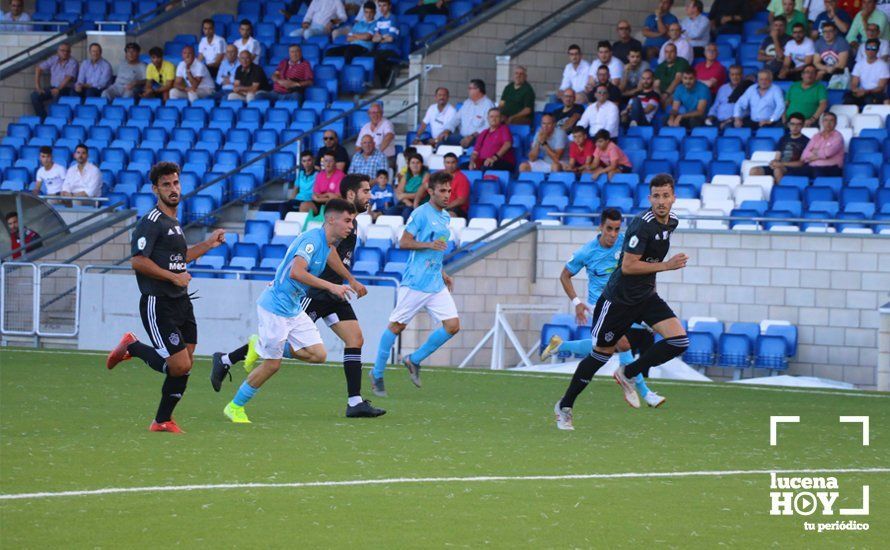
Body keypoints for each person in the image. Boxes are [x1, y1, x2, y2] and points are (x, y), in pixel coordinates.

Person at [213, 181, 385, 419]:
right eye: (347, 221)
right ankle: (235, 406)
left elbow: (332, 259)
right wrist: (332, 286)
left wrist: (349, 281)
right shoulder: (312, 240)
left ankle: (259, 344)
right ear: (331, 219)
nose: (351, 225)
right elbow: (296, 272)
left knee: (318, 355)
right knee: (272, 365)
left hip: (293, 307)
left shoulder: (327, 243)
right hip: (276, 307)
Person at [554, 174, 688, 430]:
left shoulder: (672, 223)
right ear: (650, 198)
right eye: (656, 196)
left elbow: (648, 264)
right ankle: (565, 405)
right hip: (618, 301)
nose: (661, 201)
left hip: (646, 297)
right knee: (600, 356)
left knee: (679, 341)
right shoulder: (641, 225)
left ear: (673, 198)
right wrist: (667, 266)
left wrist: (653, 287)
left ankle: (627, 372)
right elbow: (628, 266)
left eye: (666, 196)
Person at [105, 162, 227, 433]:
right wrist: (173, 277)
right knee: (179, 364)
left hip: (181, 300)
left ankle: (162, 420)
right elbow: (137, 262)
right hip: (157, 302)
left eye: (176, 183)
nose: (173, 189)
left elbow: (179, 259)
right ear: (155, 189)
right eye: (166, 185)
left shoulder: (173, 223)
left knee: (186, 362)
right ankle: (132, 347)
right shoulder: (150, 223)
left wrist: (209, 244)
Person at [540, 209, 664, 410]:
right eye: (609, 229)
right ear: (600, 227)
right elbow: (565, 276)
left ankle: (560, 346)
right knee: (622, 343)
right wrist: (577, 302)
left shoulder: (627, 243)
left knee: (604, 348)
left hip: (626, 302)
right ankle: (642, 390)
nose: (613, 234)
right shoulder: (586, 252)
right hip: (601, 306)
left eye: (617, 229)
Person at [370, 172, 459, 396]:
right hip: (416, 281)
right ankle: (377, 373)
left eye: (449, 190)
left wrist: (442, 272)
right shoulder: (420, 214)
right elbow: (404, 242)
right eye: (442, 191)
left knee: (453, 326)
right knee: (397, 326)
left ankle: (414, 359)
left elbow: (436, 250)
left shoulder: (445, 217)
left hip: (435, 282)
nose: (447, 195)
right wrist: (429, 245)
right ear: (431, 191)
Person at [750, 113, 810, 181]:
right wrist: (774, 162)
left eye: (798, 124)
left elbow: (801, 163)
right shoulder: (783, 138)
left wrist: (781, 164)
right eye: (792, 124)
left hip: (794, 169)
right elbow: (777, 156)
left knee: (777, 170)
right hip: (779, 166)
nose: (795, 127)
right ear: (788, 125)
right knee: (754, 170)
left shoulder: (807, 141)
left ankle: (780, 191)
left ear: (802, 125)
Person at [31, 43, 77, 118]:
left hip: (66, 89)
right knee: (35, 96)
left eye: (67, 51)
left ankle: (52, 122)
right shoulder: (54, 59)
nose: (65, 53)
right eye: (62, 50)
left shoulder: (72, 62)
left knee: (55, 101)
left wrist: (58, 89)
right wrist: (38, 87)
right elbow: (38, 68)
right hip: (53, 88)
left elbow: (68, 78)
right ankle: (43, 118)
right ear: (58, 51)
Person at [846, 38, 890, 104]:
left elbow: (881, 87)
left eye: (873, 48)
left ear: (877, 50)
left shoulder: (883, 65)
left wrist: (867, 91)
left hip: (876, 93)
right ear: (865, 50)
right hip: (861, 91)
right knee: (848, 98)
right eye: (868, 48)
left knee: (869, 99)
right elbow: (854, 83)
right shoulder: (859, 64)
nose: (870, 50)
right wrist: (856, 90)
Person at [370, 0, 401, 88]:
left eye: (384, 5)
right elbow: (374, 39)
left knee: (379, 58)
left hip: (392, 50)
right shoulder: (379, 20)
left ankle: (383, 82)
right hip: (381, 49)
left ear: (389, 6)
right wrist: (384, 37)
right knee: (367, 56)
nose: (382, 8)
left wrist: (380, 37)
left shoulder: (393, 19)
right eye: (380, 6)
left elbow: (391, 39)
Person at [457, 79, 495, 148]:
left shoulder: (488, 105)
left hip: (478, 138)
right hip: (462, 136)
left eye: (470, 88)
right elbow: (456, 119)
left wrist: (472, 136)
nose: (468, 90)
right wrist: (447, 130)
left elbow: (489, 125)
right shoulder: (467, 103)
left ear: (478, 90)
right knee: (444, 140)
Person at [279, 151, 317, 219]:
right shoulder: (301, 173)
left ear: (313, 160)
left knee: (284, 207)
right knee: (265, 206)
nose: (307, 163)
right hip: (297, 201)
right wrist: (291, 200)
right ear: (302, 162)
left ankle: (285, 225)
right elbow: (295, 189)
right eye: (304, 161)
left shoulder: (318, 175)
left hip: (307, 202)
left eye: (309, 160)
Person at [442, 153, 470, 218]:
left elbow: (461, 200)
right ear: (444, 163)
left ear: (457, 163)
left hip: (456, 208)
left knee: (448, 215)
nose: (450, 165)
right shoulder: (439, 174)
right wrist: (416, 202)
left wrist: (445, 207)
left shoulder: (462, 178)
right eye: (448, 162)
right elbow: (426, 185)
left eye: (453, 162)